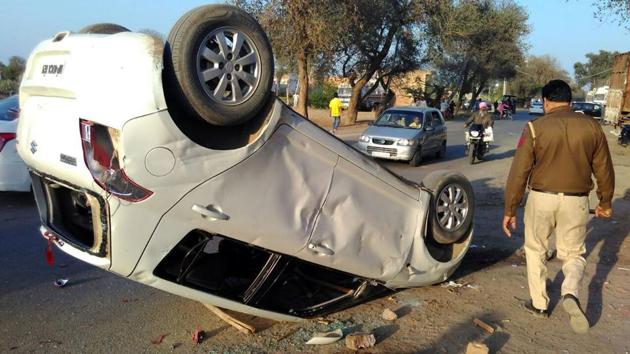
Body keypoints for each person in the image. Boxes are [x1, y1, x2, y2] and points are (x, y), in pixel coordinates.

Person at [503, 80, 615, 334]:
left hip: (541, 198)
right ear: (570, 101)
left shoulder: (534, 127)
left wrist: (510, 209)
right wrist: (605, 202)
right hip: (577, 201)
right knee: (574, 253)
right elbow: (604, 170)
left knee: (535, 250)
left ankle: (540, 304)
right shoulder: (592, 127)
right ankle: (570, 291)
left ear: (545, 101)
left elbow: (519, 172)